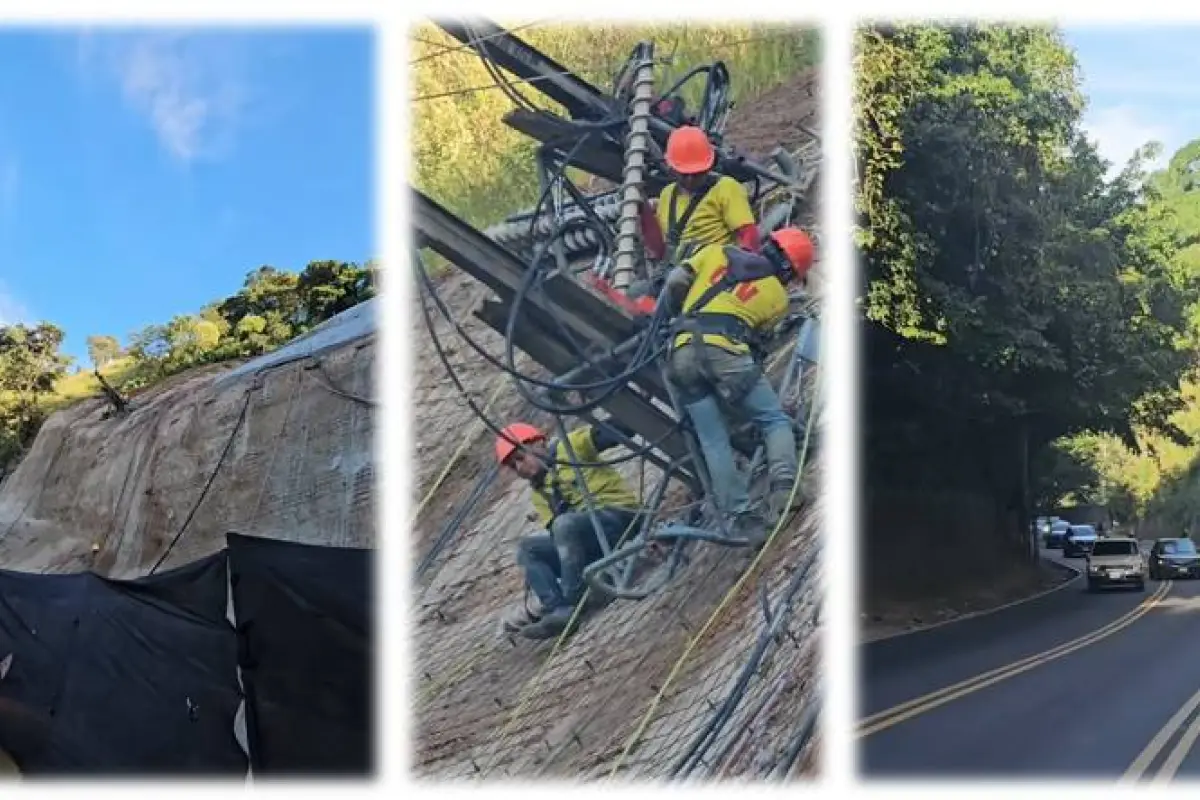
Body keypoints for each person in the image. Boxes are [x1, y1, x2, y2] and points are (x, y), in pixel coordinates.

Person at [661, 227, 815, 544]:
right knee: (772, 419)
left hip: (680, 350)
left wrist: (681, 309)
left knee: (713, 440)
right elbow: (758, 341)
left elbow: (676, 281)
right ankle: (785, 491)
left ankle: (742, 518)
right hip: (725, 350)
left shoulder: (716, 250)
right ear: (789, 269)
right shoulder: (777, 297)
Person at [495, 420, 642, 640]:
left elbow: (606, 434)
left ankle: (574, 599)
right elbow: (561, 541)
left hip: (619, 519)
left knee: (564, 524)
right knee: (528, 549)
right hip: (587, 538)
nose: (521, 468)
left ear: (538, 443)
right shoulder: (539, 494)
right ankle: (558, 609)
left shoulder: (570, 446)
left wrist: (627, 419)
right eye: (514, 466)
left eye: (520, 457)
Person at [639, 125, 760, 266]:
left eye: (697, 174)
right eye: (684, 174)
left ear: (708, 166)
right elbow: (660, 251)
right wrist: (644, 211)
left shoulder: (725, 188)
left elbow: (749, 235)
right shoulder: (667, 195)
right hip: (677, 274)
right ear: (671, 168)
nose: (690, 179)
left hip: (716, 272)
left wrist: (745, 269)